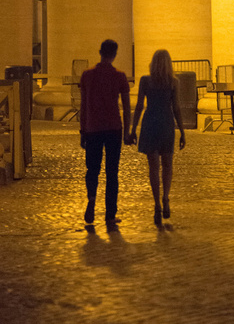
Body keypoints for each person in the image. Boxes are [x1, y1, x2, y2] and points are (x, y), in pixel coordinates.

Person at [129, 49, 186, 226]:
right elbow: (176, 107)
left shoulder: (145, 81)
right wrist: (182, 131)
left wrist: (133, 128)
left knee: (153, 167)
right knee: (168, 164)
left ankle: (156, 204)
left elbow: (139, 105)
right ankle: (166, 197)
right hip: (166, 122)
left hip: (150, 122)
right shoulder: (173, 82)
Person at [79, 39, 131, 226]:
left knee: (92, 169)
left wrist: (82, 131)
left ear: (100, 52)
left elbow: (83, 105)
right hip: (113, 128)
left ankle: (91, 200)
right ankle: (110, 214)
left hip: (93, 128)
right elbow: (126, 107)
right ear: (114, 54)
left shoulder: (87, 75)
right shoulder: (119, 77)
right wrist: (128, 132)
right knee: (112, 172)